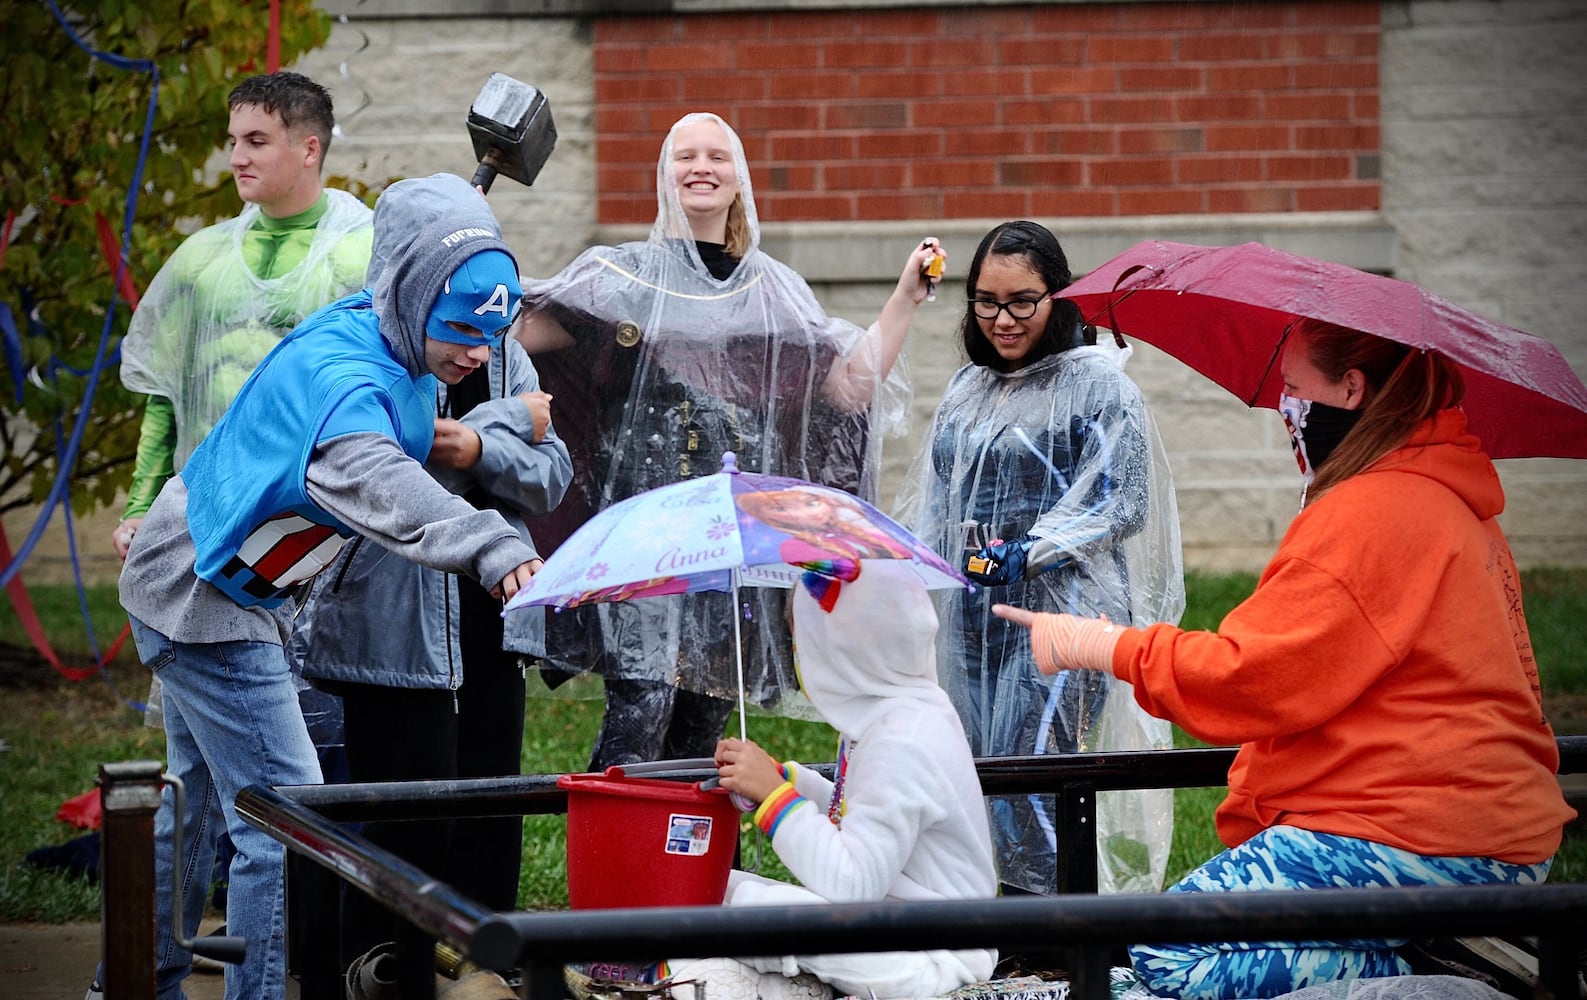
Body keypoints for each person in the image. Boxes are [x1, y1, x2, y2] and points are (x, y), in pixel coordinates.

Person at [992, 318, 1578, 999]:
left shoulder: (1372, 510)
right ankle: (1437, 953)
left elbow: (1251, 678)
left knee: (1161, 949)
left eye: (1294, 389)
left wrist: (1099, 645)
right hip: (1471, 828)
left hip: (1411, 832)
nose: (1284, 410)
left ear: (1350, 389)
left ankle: (1443, 965)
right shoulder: (1444, 499)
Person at [90, 173, 542, 1000]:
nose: (478, 356)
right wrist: (494, 547)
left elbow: (443, 272)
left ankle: (128, 984)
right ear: (411, 297)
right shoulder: (346, 394)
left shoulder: (386, 325)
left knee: (192, 814)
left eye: (492, 333)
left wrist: (509, 414)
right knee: (288, 821)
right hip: (205, 602)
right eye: (461, 334)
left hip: (195, 579)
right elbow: (395, 491)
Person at [512, 111, 943, 770]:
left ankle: (705, 869)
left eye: (717, 155)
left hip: (726, 542)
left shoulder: (770, 291)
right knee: (642, 706)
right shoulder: (619, 277)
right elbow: (512, 334)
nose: (701, 167)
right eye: (686, 155)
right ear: (665, 174)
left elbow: (848, 389)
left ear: (739, 178)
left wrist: (905, 298)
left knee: (707, 718)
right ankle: (619, 858)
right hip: (644, 543)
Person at [109, 66, 370, 941]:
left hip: (300, 553)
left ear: (310, 146)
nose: (235, 158)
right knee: (216, 787)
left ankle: (263, 955)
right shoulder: (202, 261)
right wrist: (142, 504)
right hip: (201, 555)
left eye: (256, 140)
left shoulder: (359, 253)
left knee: (272, 775)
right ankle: (152, 970)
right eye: (232, 140)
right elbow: (161, 397)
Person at [287, 171, 572, 969]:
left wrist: (475, 441)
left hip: (491, 615)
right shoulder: (362, 345)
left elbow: (551, 475)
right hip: (387, 626)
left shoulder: (505, 349)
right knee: (410, 817)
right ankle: (383, 968)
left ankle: (485, 963)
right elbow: (397, 469)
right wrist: (506, 426)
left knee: (489, 804)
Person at [895, 220, 1183, 897]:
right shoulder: (968, 388)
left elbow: (1122, 499)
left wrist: (1034, 550)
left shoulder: (1098, 385)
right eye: (986, 301)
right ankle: (1009, 924)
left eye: (1022, 300)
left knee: (1037, 771)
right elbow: (936, 502)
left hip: (1064, 614)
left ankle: (1068, 935)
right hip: (975, 614)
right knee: (980, 771)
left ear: (1059, 295)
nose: (1002, 318)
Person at [664, 560, 997, 1000]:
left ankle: (698, 978)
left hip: (936, 957)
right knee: (719, 886)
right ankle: (777, 986)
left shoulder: (903, 742)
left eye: (802, 640)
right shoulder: (894, 716)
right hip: (894, 927)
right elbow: (858, 820)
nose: (797, 654)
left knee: (754, 908)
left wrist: (775, 798)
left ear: (842, 650)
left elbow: (852, 885)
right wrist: (783, 781)